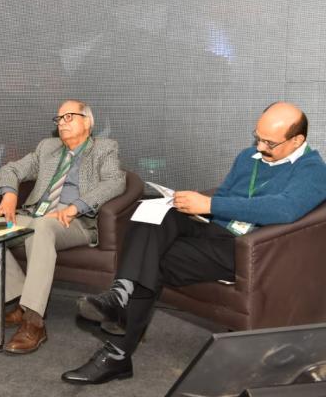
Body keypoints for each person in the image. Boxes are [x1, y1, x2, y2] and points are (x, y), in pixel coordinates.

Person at [62, 102, 326, 385]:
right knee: (153, 212)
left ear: (297, 140)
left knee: (149, 260)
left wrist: (209, 204)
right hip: (214, 232)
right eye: (257, 137)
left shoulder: (313, 170)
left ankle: (117, 350)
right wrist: (194, 205)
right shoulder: (248, 156)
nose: (259, 147)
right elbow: (225, 194)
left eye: (269, 142)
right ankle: (120, 296)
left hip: (250, 248)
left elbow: (283, 209)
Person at [0, 99, 126, 355]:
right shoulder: (47, 148)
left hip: (74, 222)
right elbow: (11, 169)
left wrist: (77, 206)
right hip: (35, 214)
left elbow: (115, 182)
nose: (62, 123)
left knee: (42, 228)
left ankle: (33, 322)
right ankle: (23, 300)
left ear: (88, 122)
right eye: (59, 119)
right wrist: (9, 194)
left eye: (69, 117)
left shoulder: (104, 148)